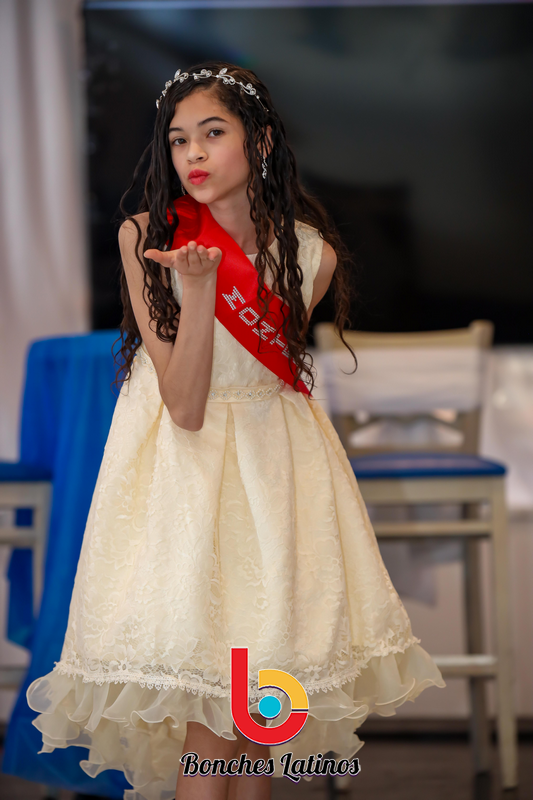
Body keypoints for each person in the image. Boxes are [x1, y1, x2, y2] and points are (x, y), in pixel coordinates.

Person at [26, 61, 445, 800]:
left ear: (260, 141)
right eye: (178, 139)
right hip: (183, 483)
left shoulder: (309, 256)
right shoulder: (146, 238)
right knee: (210, 711)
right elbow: (186, 405)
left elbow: (265, 374)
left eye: (212, 133)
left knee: (260, 713)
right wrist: (197, 288)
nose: (192, 154)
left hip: (275, 477)